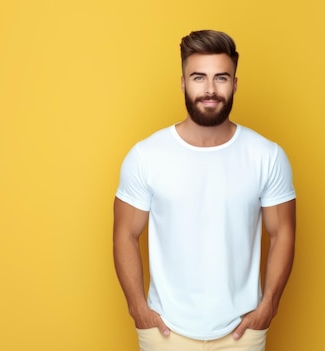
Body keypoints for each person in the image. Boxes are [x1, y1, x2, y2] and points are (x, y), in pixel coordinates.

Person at [113, 30, 296, 351]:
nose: (210, 89)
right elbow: (125, 234)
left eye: (221, 78)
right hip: (165, 332)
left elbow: (283, 232)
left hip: (242, 334)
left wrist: (269, 306)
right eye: (199, 77)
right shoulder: (146, 156)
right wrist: (137, 309)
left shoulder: (267, 155)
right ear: (183, 83)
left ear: (235, 84)